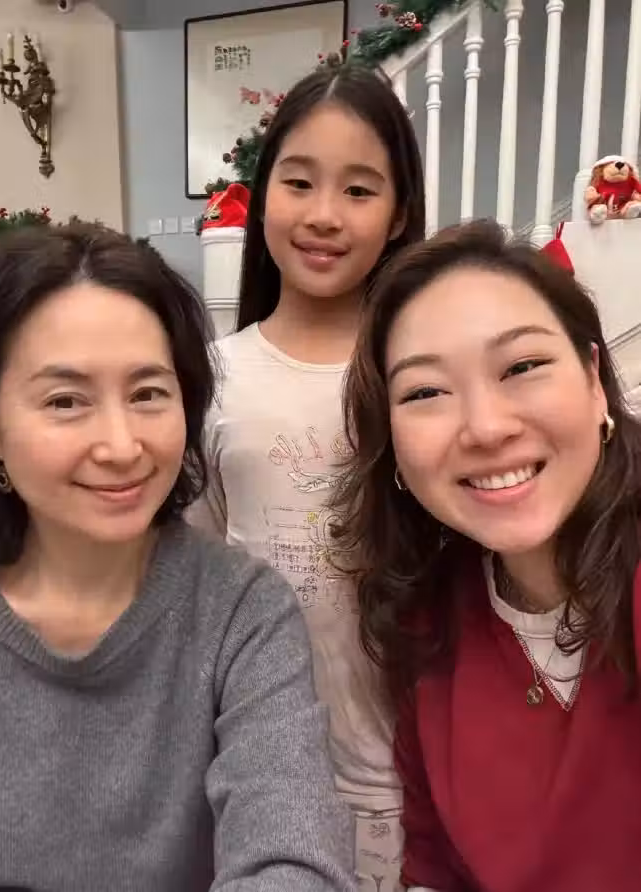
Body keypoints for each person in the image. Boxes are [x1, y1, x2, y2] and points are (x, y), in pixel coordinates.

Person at [0, 223, 357, 892]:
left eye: (147, 394)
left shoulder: (243, 613)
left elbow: (295, 859)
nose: (121, 446)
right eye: (65, 401)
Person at [333, 218, 641, 892]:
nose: (486, 428)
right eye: (425, 392)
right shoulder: (426, 621)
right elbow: (434, 863)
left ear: (594, 382)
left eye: (523, 367)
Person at [187, 59, 425, 891]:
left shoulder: (422, 372)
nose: (324, 214)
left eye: (359, 190)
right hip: (259, 768)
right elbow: (198, 580)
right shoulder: (212, 378)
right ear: (263, 200)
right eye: (298, 182)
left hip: (418, 773)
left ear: (400, 214)